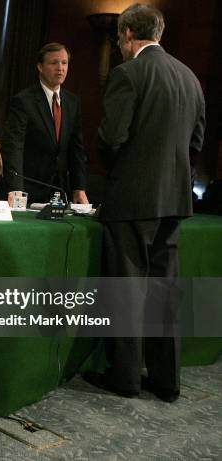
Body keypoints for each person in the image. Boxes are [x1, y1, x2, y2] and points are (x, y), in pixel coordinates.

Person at [84, 3, 206, 403]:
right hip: (174, 201)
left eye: (119, 40)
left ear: (127, 36)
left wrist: (119, 170)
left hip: (133, 200)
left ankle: (125, 378)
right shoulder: (190, 77)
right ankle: (167, 381)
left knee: (127, 289)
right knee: (163, 292)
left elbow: (111, 138)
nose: (120, 47)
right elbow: (196, 144)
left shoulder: (129, 72)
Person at [0, 43, 88, 204]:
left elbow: (77, 149)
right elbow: (13, 147)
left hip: (61, 191)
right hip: (29, 189)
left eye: (64, 62)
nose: (60, 68)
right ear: (40, 67)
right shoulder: (23, 101)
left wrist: (79, 188)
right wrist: (16, 189)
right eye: (54, 63)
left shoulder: (72, 102)